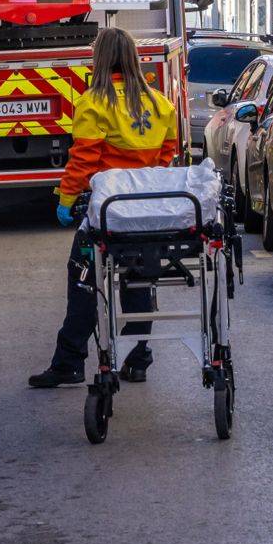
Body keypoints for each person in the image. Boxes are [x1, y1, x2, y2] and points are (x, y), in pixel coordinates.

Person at [28, 27, 178, 390]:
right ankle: (138, 357)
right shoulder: (160, 103)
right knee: (138, 277)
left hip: (108, 213)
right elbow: (168, 154)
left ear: (100, 60)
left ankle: (69, 362)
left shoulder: (94, 103)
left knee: (83, 277)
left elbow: (83, 161)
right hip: (146, 213)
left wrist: (66, 201)